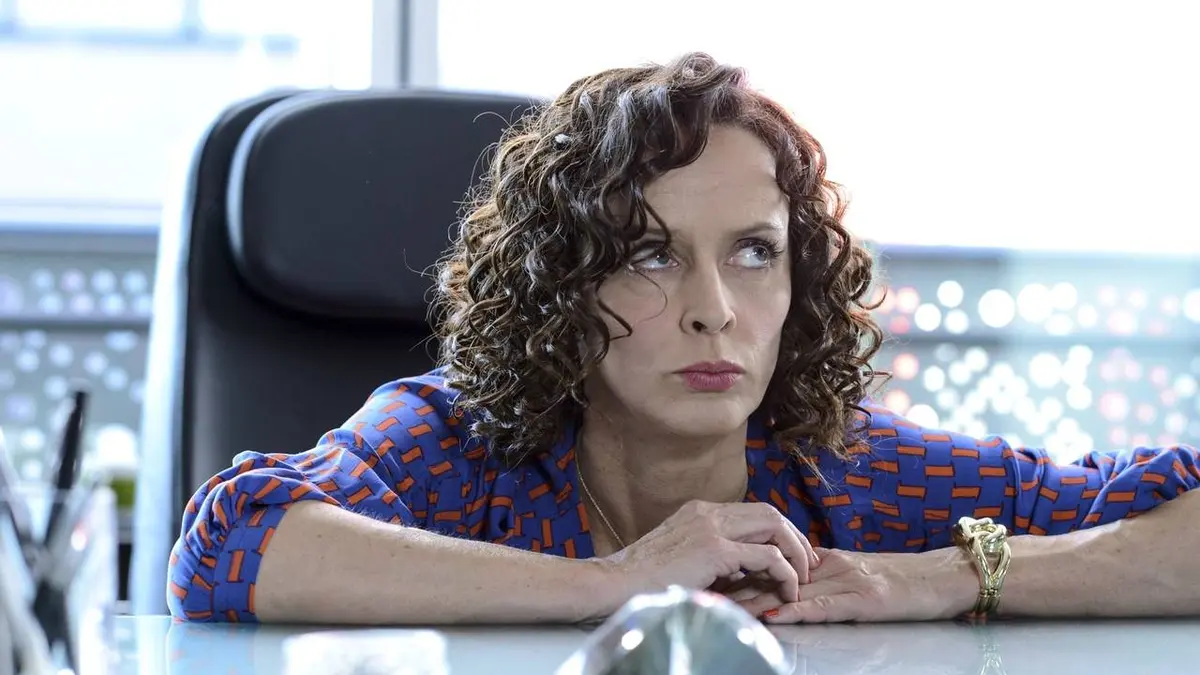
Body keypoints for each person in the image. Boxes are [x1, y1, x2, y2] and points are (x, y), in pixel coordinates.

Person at [167, 52, 1200, 625]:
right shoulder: (452, 446)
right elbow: (226, 542)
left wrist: (946, 575)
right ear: (564, 285)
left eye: (753, 252)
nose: (714, 309)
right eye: (649, 255)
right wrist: (615, 583)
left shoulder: (852, 474)